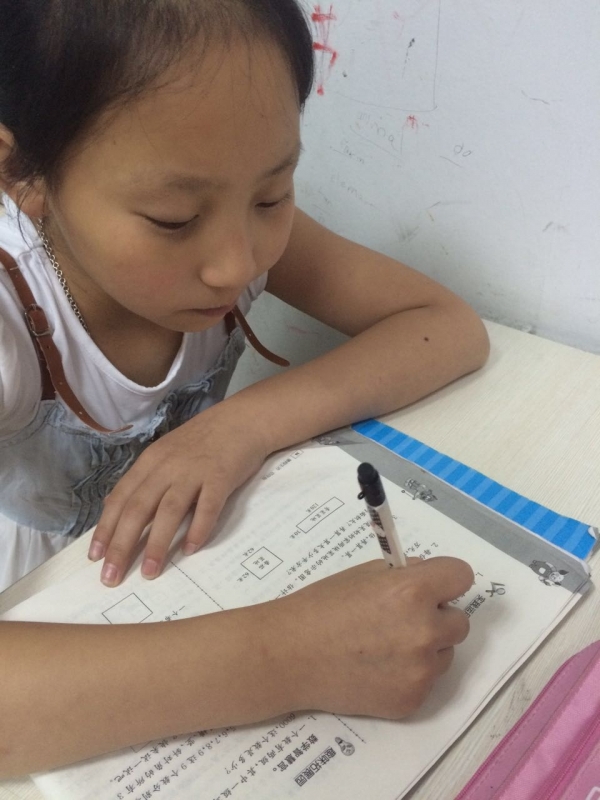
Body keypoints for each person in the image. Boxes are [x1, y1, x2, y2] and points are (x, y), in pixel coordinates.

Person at [0, 0, 489, 776]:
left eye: (272, 195)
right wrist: (288, 658)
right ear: (20, 174)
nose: (237, 264)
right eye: (172, 219)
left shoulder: (232, 233)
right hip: (43, 603)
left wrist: (240, 426)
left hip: (199, 568)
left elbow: (446, 327)